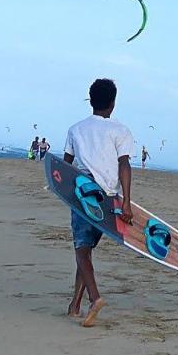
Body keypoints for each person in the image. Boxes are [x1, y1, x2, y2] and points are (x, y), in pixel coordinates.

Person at [62, 78, 135, 327]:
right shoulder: (121, 131)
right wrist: (126, 202)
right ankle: (74, 305)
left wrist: (65, 192)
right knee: (87, 251)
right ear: (113, 103)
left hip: (83, 193)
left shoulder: (76, 129)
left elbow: (65, 166)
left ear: (90, 100)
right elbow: (124, 165)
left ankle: (94, 299)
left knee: (81, 251)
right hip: (109, 199)